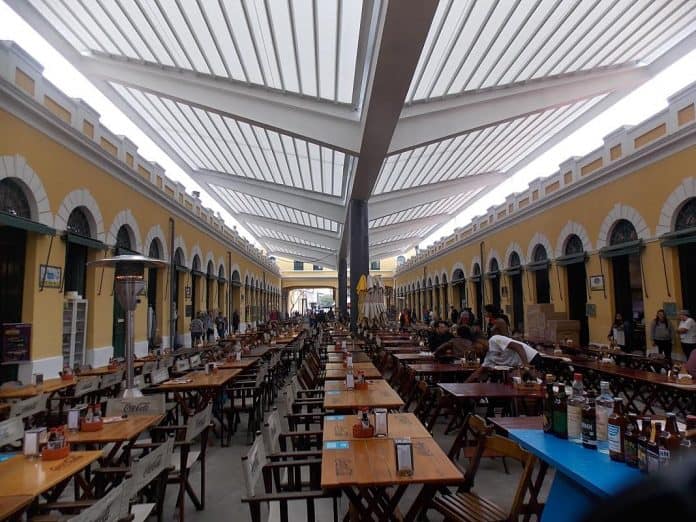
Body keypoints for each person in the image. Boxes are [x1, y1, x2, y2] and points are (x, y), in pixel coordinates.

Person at [466, 319, 541, 382]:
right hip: (521, 367)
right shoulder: (488, 358)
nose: (477, 351)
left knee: (535, 384)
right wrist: (464, 385)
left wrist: (526, 366)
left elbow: (519, 347)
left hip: (531, 359)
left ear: (479, 341)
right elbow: (478, 372)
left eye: (476, 348)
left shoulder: (495, 340)